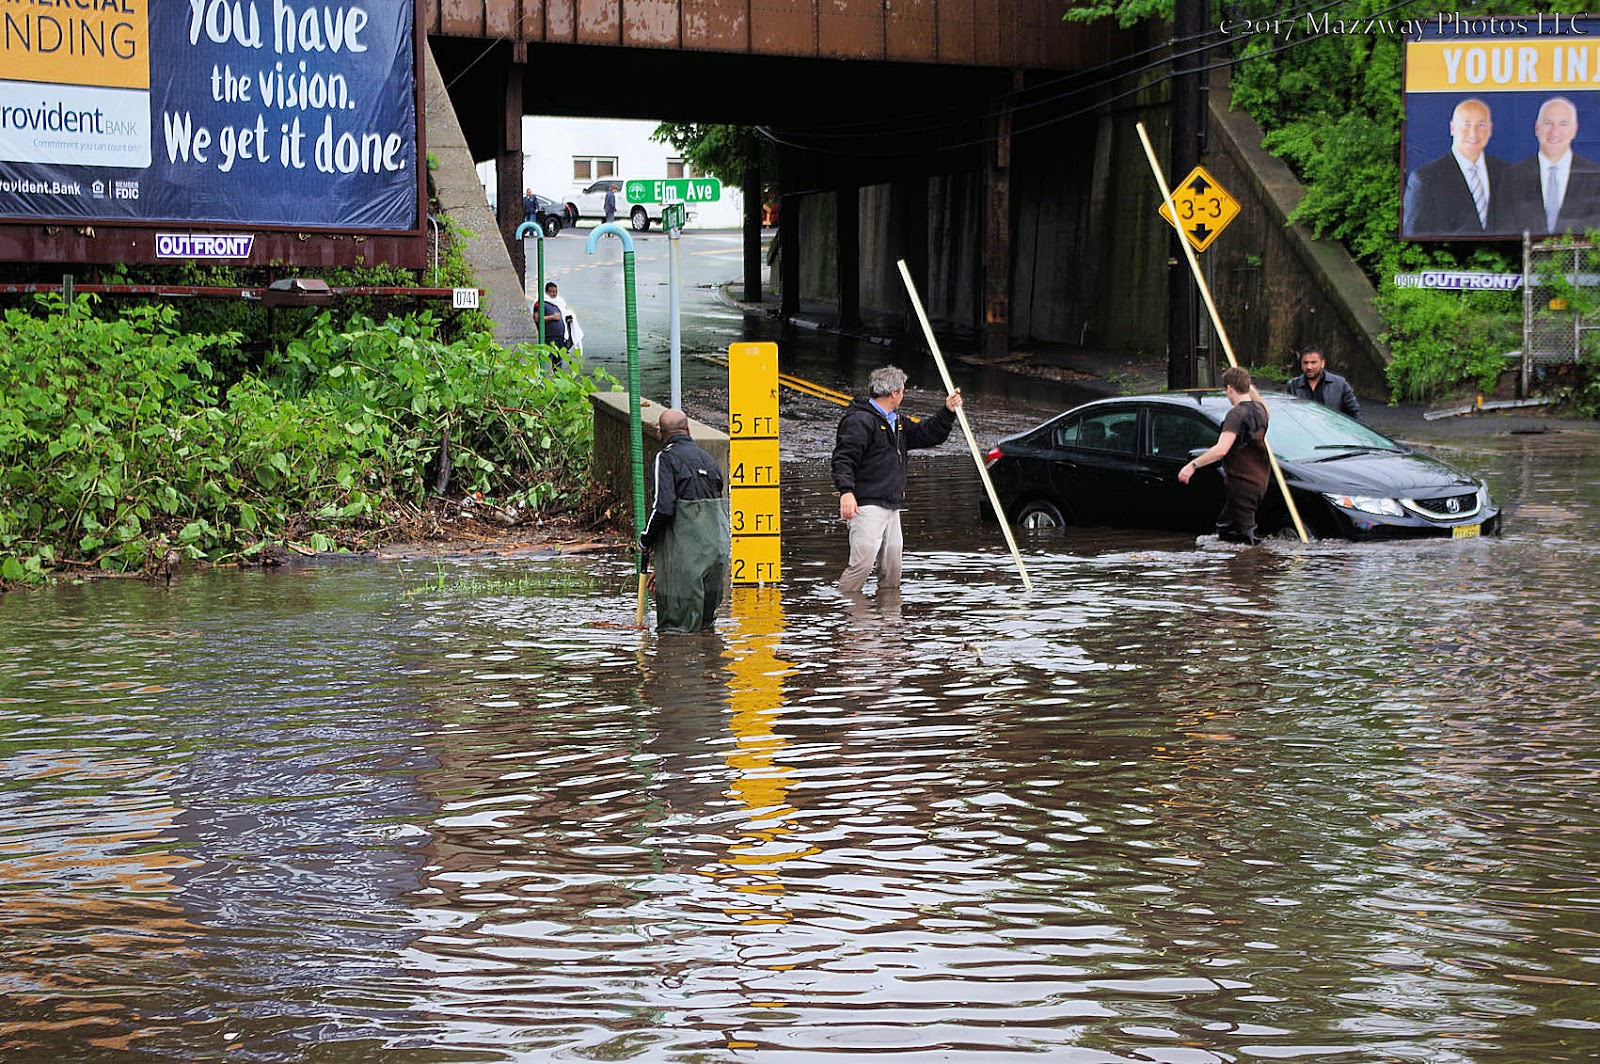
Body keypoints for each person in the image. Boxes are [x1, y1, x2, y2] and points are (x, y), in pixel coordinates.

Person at [830, 365, 962, 594]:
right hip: (867, 504)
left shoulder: (897, 421)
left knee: (892, 569)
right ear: (894, 393)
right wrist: (846, 492)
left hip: (891, 504)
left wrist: (947, 412)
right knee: (862, 564)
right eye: (903, 389)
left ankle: (890, 621)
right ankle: (848, 613)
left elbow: (926, 433)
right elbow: (844, 459)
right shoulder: (859, 421)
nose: (904, 393)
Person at [640, 409, 729, 633]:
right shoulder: (707, 459)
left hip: (686, 558)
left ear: (660, 435)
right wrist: (665, 567)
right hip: (716, 554)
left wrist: (646, 540)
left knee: (676, 632)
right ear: (688, 430)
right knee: (705, 627)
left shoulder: (665, 458)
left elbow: (663, 507)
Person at [1178, 365, 1272, 545]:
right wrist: (1248, 385)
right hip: (1259, 480)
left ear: (1229, 388)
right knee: (1226, 529)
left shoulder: (1236, 415)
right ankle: (1228, 571)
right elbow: (1260, 401)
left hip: (1242, 483)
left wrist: (1192, 465)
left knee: (1246, 538)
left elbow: (1222, 449)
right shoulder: (1261, 410)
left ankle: (1253, 569)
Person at [1403, 97, 1513, 236]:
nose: (1473, 133)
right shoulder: (1426, 179)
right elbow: (1414, 237)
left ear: (1489, 130)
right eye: (1466, 125)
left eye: (1481, 125)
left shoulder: (1506, 172)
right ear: (1453, 128)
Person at [1506, 97, 1600, 235]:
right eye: (1548, 123)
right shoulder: (1512, 176)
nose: (1554, 132)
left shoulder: (1595, 176)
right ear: (1537, 128)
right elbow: (1505, 225)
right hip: (1524, 254)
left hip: (1579, 255)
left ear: (1574, 130)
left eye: (1563, 124)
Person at [1285, 348, 1361, 421]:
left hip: (1331, 431)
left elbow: (1355, 413)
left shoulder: (1340, 384)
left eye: (1313, 362)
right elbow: (1288, 414)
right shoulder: (1293, 386)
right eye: (1305, 363)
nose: (1309, 367)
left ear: (1322, 363)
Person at [544, 280, 583, 351]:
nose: (554, 294)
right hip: (549, 336)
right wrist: (552, 317)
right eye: (552, 292)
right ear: (546, 292)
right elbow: (537, 318)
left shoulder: (559, 300)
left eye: (556, 292)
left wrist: (569, 318)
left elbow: (564, 311)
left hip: (561, 336)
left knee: (559, 356)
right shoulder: (542, 302)